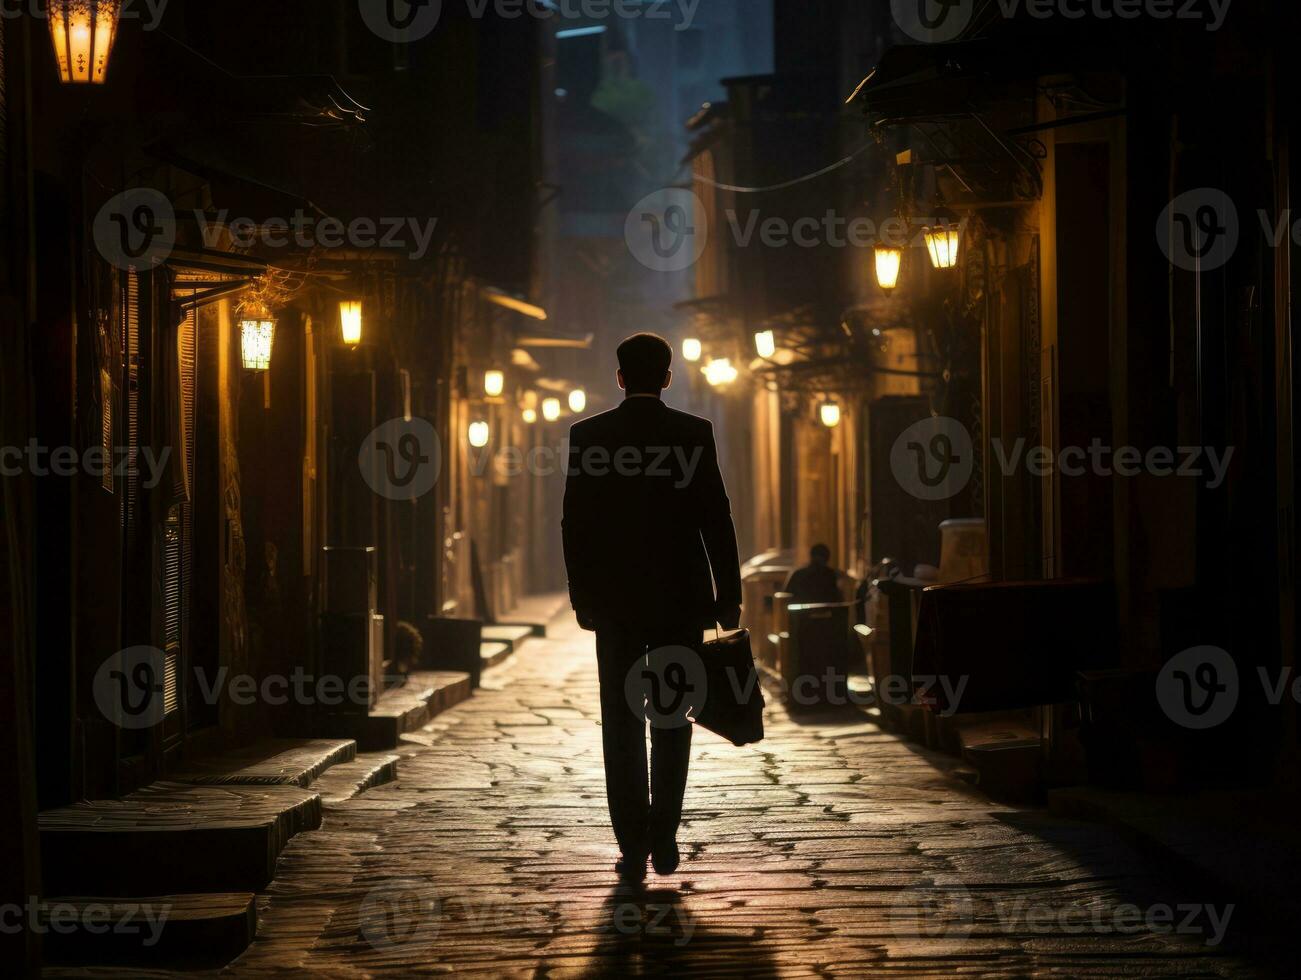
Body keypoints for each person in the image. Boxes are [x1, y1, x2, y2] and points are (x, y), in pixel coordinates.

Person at [562, 332, 742, 883]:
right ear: (668, 377)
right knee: (671, 716)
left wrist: (583, 597)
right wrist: (727, 597)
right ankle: (664, 835)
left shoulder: (589, 435)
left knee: (620, 721)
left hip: (615, 605)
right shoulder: (693, 434)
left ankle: (633, 843)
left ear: (619, 377)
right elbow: (716, 517)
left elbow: (576, 526)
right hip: (679, 602)